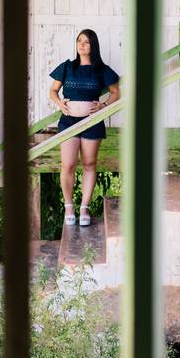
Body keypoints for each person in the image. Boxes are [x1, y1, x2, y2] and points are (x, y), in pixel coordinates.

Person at [49, 29, 121, 226]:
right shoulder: (67, 67)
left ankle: (84, 208)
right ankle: (69, 207)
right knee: (68, 164)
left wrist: (103, 105)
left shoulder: (102, 69)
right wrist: (60, 103)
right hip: (68, 122)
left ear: (93, 45)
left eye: (86, 42)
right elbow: (53, 90)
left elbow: (116, 92)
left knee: (89, 164)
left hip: (92, 123)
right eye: (79, 41)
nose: (81, 45)